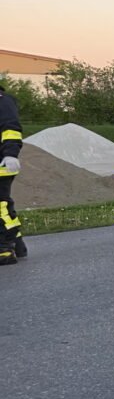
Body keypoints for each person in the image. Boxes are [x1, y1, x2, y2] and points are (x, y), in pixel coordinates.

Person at [0, 84, 25, 265]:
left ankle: (4, 249)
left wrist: (10, 154)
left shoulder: (3, 101)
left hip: (2, 163)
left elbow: (11, 129)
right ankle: (17, 244)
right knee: (4, 206)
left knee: (0, 207)